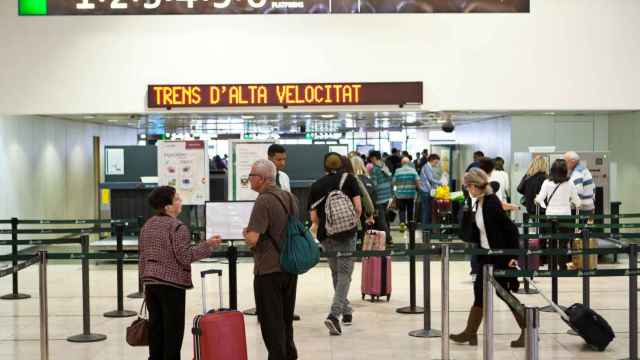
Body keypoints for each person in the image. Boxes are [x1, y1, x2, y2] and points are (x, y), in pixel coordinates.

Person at [139, 186, 222, 360]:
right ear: (168, 207)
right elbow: (185, 256)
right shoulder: (177, 227)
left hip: (151, 284)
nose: (180, 201)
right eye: (176, 199)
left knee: (156, 329)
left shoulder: (148, 225)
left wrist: (144, 283)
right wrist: (207, 245)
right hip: (172, 285)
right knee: (173, 332)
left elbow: (143, 256)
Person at [449, 168, 525, 348]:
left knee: (504, 293)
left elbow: (511, 230)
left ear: (475, 186)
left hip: (498, 257)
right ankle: (470, 333)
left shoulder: (491, 204)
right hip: (485, 257)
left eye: (468, 187)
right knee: (479, 294)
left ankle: (528, 328)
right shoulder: (479, 202)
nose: (468, 190)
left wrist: (512, 256)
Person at [243, 159, 300, 360]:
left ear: (261, 179)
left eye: (251, 175)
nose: (249, 179)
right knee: (285, 320)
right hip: (290, 266)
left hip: (268, 270)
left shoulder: (263, 200)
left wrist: (245, 233)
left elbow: (253, 239)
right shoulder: (290, 197)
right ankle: (289, 354)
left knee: (270, 322)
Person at [308, 152, 362, 335]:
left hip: (326, 235)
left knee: (336, 273)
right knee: (345, 274)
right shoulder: (349, 180)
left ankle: (346, 311)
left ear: (324, 167)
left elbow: (314, 218)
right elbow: (358, 208)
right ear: (341, 165)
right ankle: (333, 315)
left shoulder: (316, 185)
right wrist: (350, 222)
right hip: (347, 234)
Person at [535, 159, 581, 270]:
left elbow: (539, 199)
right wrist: (572, 204)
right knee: (563, 243)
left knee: (551, 242)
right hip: (565, 216)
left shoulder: (546, 183)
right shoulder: (569, 183)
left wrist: (539, 202)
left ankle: (551, 267)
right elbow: (577, 201)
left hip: (550, 215)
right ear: (565, 170)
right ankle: (562, 266)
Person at [347, 155, 376, 240]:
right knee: (366, 238)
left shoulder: (351, 180)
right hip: (367, 214)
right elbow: (373, 196)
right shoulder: (368, 179)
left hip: (354, 213)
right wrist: (371, 214)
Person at [368, 150, 394, 244]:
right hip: (388, 197)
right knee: (386, 220)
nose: (371, 161)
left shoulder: (374, 169)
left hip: (379, 198)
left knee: (381, 220)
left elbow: (374, 185)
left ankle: (388, 238)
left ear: (374, 158)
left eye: (371, 159)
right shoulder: (384, 166)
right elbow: (391, 180)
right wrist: (392, 195)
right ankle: (387, 237)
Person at [564, 151, 595, 218]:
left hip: (582, 209)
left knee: (579, 228)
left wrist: (569, 206)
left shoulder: (577, 172)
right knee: (587, 228)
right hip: (590, 206)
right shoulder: (585, 169)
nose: (565, 164)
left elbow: (578, 193)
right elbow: (594, 188)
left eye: (566, 161)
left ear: (573, 161)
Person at [393, 157, 421, 228]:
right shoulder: (413, 171)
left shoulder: (397, 171)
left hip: (400, 195)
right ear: (409, 163)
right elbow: (417, 182)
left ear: (402, 163)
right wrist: (418, 190)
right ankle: (410, 225)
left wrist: (395, 191)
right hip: (410, 194)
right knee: (410, 210)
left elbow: (393, 183)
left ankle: (402, 224)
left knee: (402, 210)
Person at [419, 154, 442, 226]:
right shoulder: (427, 167)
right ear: (432, 160)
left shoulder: (428, 167)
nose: (436, 164)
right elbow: (431, 179)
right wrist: (441, 183)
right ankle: (425, 228)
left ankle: (426, 227)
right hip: (425, 191)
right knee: (426, 210)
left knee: (427, 210)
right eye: (436, 162)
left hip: (426, 190)